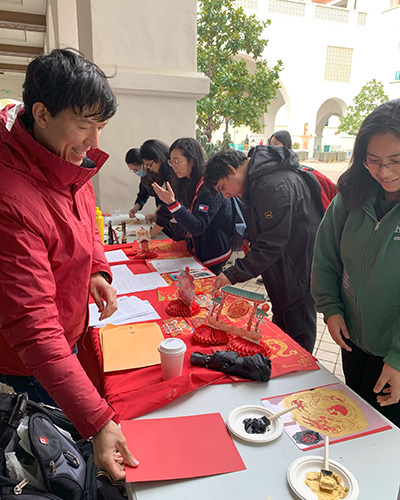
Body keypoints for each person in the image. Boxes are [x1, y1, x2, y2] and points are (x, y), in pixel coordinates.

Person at [0, 49, 138, 479]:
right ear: (41, 113)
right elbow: (34, 329)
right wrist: (97, 421)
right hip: (30, 366)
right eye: (83, 125)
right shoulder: (10, 197)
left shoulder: (60, 156)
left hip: (70, 335)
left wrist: (96, 268)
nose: (93, 143)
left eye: (100, 127)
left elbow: (84, 214)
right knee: (56, 470)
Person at [311, 99, 400, 427]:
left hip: (394, 353)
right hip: (354, 341)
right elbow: (325, 256)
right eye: (373, 161)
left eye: (396, 161)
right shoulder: (351, 197)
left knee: (388, 440)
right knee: (356, 423)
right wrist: (331, 308)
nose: (385, 172)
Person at [204, 146, 322, 353]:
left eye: (223, 187)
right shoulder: (259, 180)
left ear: (232, 170)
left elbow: (273, 241)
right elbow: (272, 224)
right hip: (287, 269)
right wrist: (251, 236)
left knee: (298, 342)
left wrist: (232, 274)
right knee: (283, 334)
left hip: (297, 271)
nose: (226, 195)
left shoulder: (271, 185)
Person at [152, 137, 234, 274]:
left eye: (177, 161)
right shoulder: (186, 181)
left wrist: (173, 204)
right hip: (197, 248)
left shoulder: (209, 187)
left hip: (213, 252)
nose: (173, 166)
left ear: (191, 161)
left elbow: (197, 226)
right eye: (171, 161)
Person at [139, 139, 185, 240]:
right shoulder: (163, 174)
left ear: (158, 158)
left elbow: (168, 209)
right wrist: (156, 215)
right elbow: (164, 203)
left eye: (150, 165)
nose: (151, 169)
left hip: (182, 226)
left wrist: (150, 235)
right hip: (173, 224)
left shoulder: (173, 173)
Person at [125, 147, 151, 218]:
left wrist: (156, 214)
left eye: (136, 170)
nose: (135, 172)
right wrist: (136, 206)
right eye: (132, 170)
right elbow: (143, 193)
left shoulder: (155, 173)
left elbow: (163, 198)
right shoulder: (144, 177)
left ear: (144, 163)